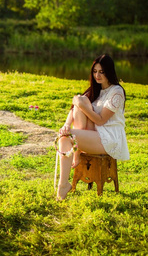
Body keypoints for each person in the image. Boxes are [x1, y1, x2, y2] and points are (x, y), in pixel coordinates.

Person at [55, 54, 129, 200]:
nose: (97, 75)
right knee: (64, 136)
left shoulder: (117, 92)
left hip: (109, 137)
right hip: (95, 133)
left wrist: (83, 105)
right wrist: (66, 125)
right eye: (95, 71)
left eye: (101, 72)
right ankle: (64, 184)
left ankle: (75, 154)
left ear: (109, 72)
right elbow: (76, 105)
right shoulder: (96, 89)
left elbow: (101, 121)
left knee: (81, 106)